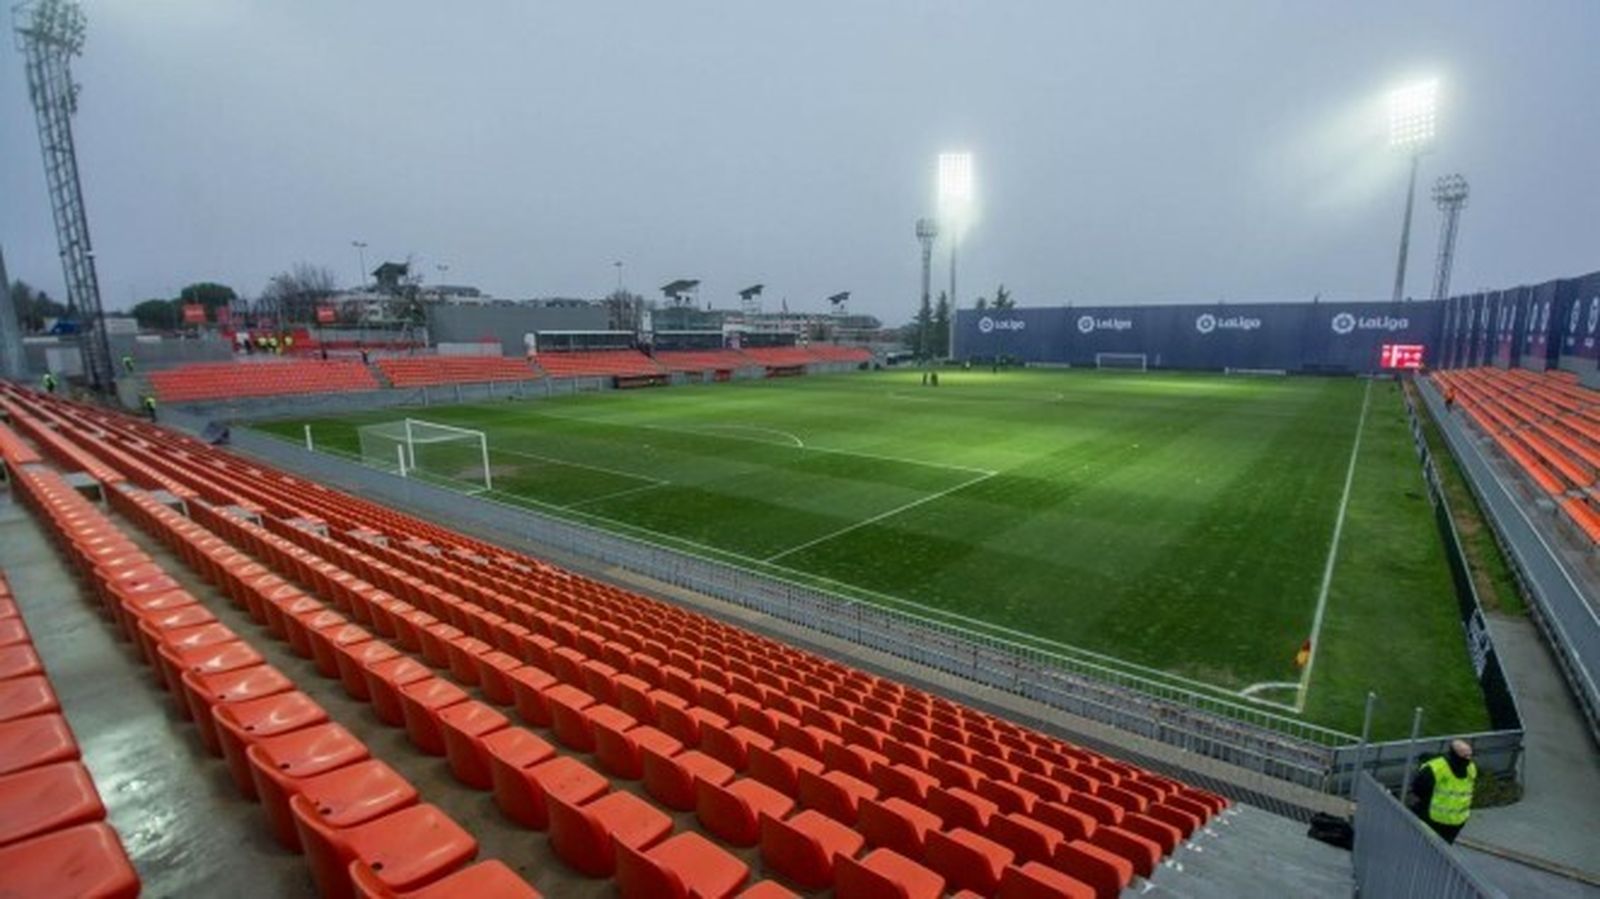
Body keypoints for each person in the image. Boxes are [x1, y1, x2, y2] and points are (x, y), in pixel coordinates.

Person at [1409, 739, 1476, 844]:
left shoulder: (1471, 767)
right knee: (1427, 848)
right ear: (1454, 754)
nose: (1469, 759)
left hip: (1456, 822)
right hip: (1433, 821)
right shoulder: (1435, 769)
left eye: (1470, 755)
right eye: (1465, 756)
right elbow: (1418, 788)